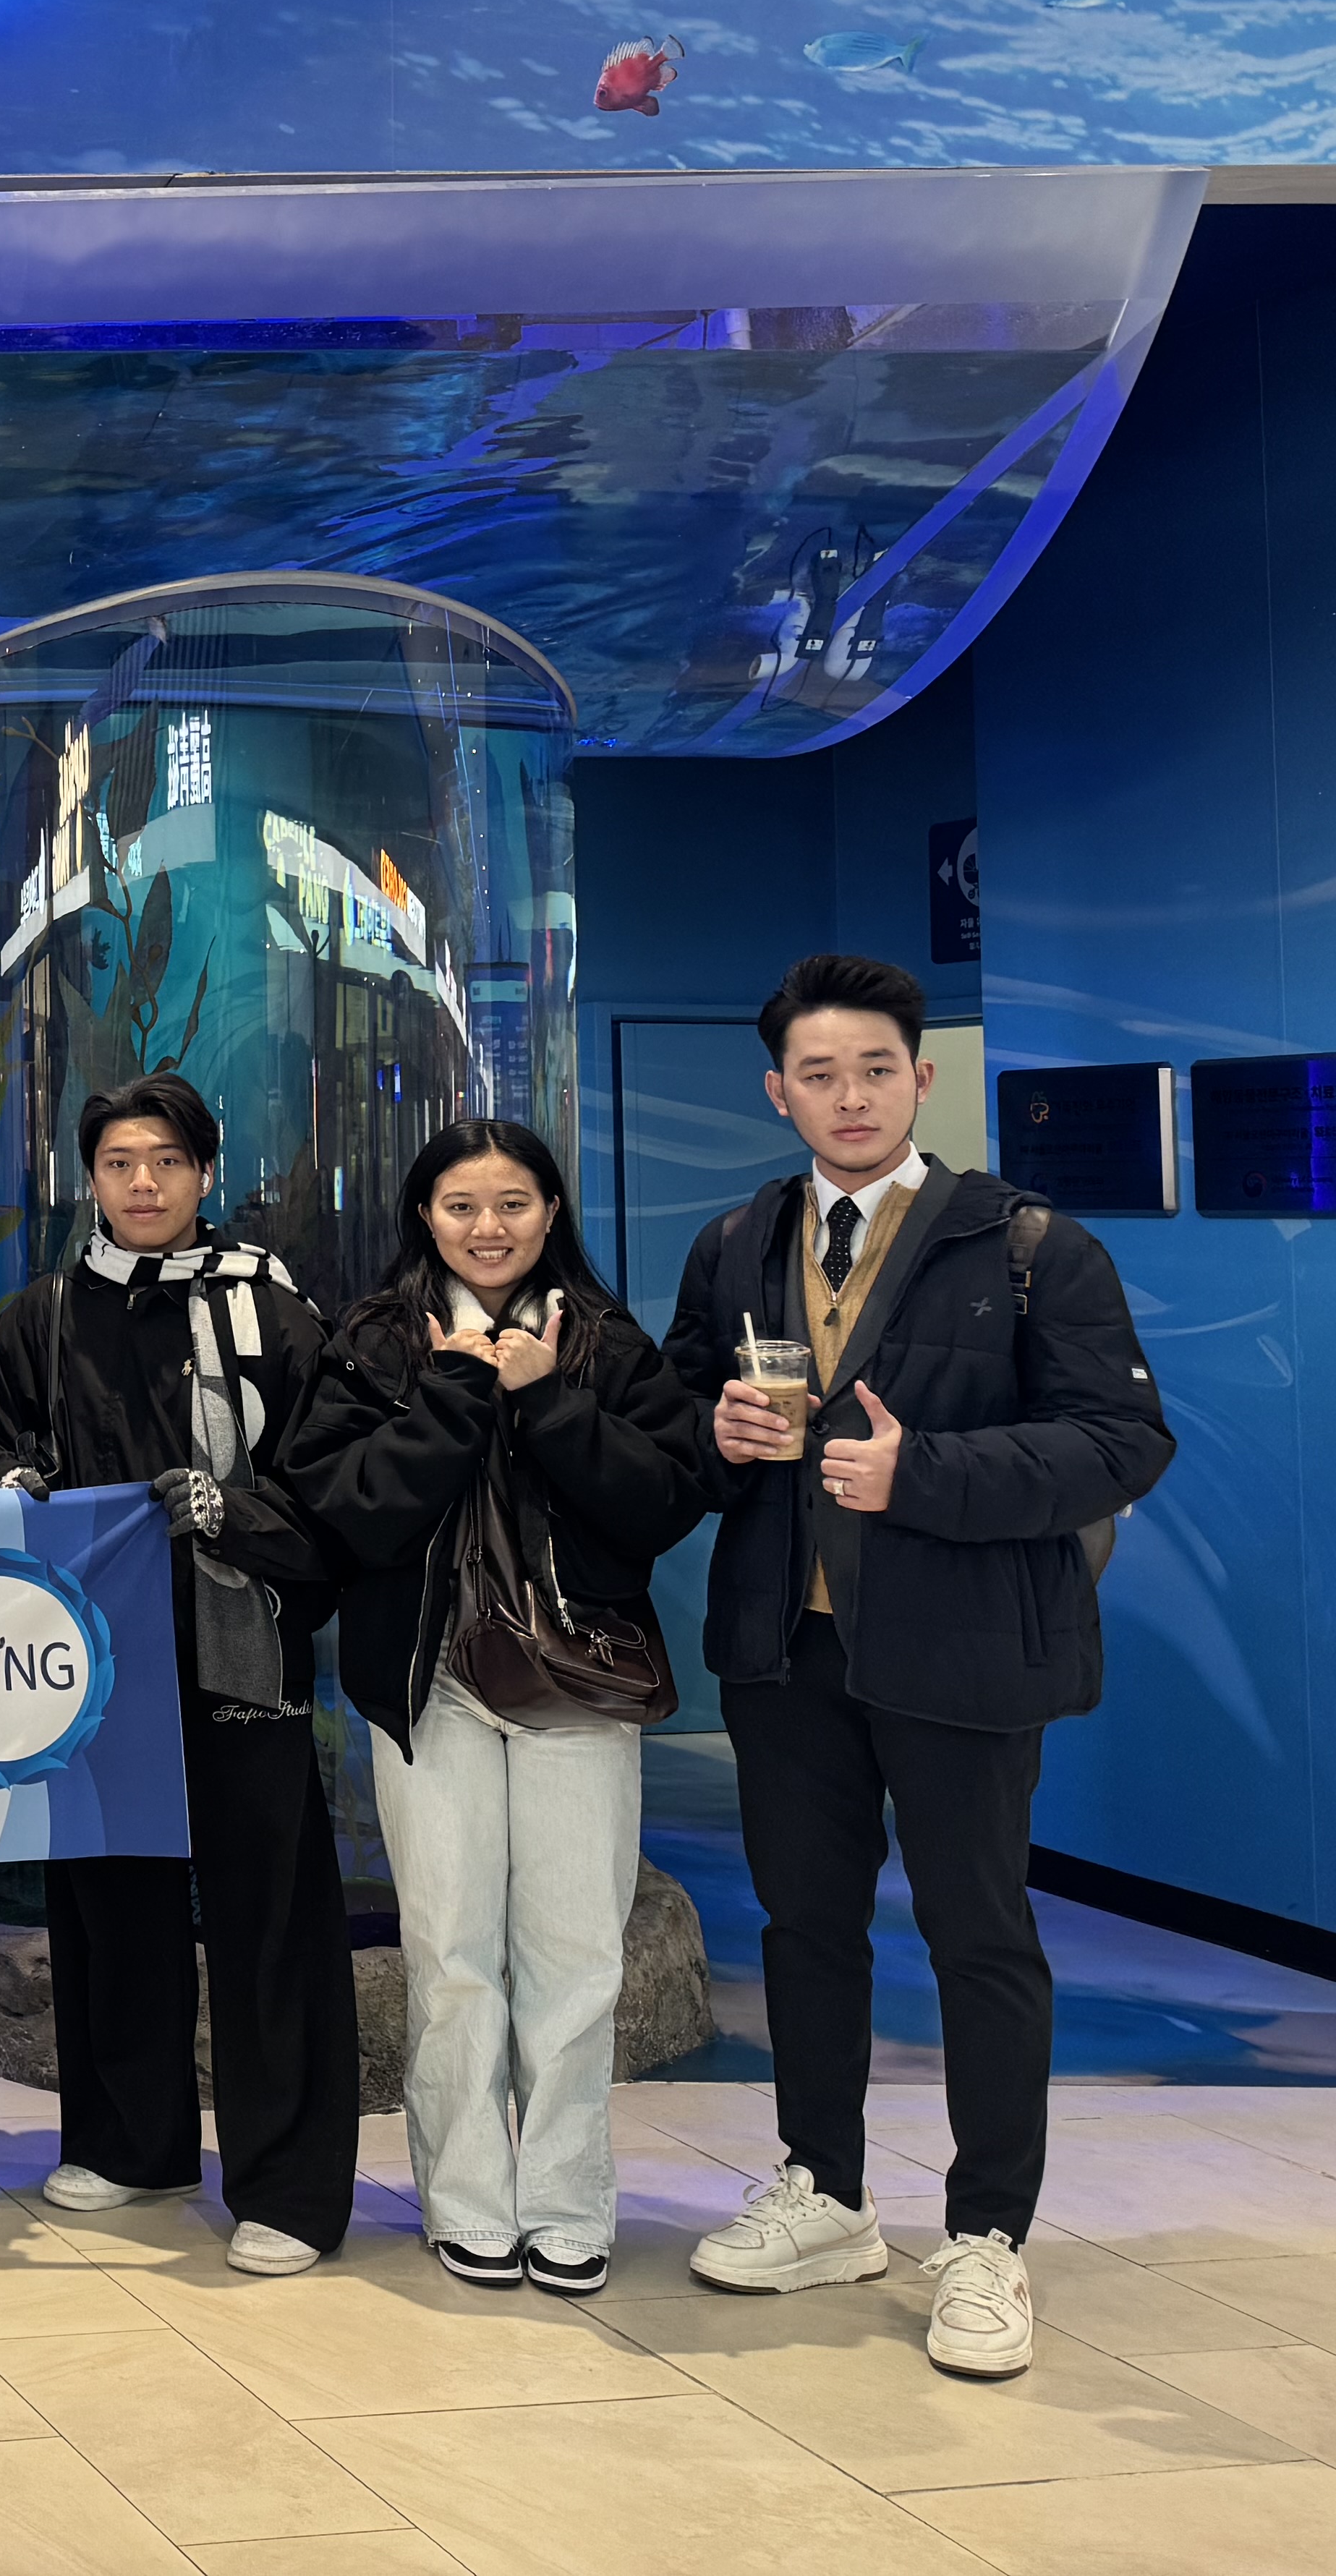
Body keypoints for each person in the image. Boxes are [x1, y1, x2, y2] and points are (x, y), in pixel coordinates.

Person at [660, 954, 1171, 2379]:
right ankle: (824, 2192)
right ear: (779, 1093)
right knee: (806, 1927)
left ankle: (989, 2236)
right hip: (786, 1646)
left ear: (920, 1080)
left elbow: (1124, 1443)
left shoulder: (1029, 1244)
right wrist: (715, 1435)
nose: (851, 1097)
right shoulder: (735, 1242)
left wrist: (923, 1473)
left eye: (876, 1070)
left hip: (965, 1649)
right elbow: (677, 1408)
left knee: (977, 1934)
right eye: (819, 1075)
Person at [0, 1072, 358, 2275]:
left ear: (205, 1175)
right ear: (90, 1177)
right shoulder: (45, 1314)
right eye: (120, 1162)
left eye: (167, 1162)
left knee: (267, 1909)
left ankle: (288, 2190)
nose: (143, 1183)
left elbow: (331, 1476)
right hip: (94, 1658)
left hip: (240, 1644)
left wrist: (236, 1515)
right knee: (110, 1897)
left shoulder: (271, 1311)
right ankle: (134, 2145)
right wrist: (9, 1481)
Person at [283, 1123, 703, 2296]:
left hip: (580, 1681)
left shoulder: (606, 1340)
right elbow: (347, 1509)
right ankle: (467, 2199)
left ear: (552, 1210)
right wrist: (459, 1393)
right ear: (424, 1215)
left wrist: (550, 1400)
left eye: (513, 1202)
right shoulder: (373, 1340)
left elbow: (666, 1502)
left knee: (577, 1955)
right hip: (431, 1687)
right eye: (461, 1205)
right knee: (451, 1950)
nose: (488, 1227)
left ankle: (566, 2203)